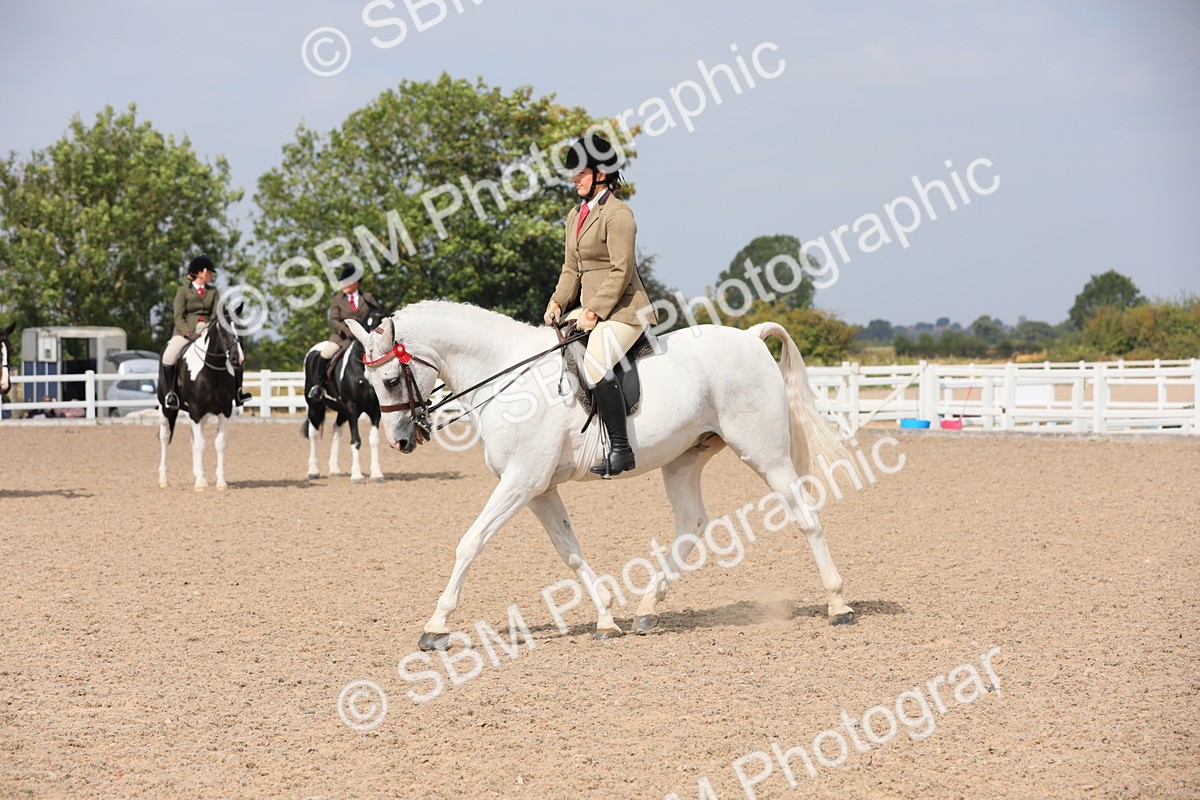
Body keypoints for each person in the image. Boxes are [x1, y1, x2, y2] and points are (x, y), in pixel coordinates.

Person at [544, 133, 658, 477]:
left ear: (602, 174)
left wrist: (594, 310)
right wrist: (558, 301)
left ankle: (622, 450)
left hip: (624, 310)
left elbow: (622, 271)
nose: (574, 178)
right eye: (574, 172)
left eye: (581, 172)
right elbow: (571, 269)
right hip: (588, 307)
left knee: (594, 365)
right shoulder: (574, 215)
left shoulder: (619, 214)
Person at [161, 254, 251, 410]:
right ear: (200, 272)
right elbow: (178, 316)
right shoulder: (183, 291)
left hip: (206, 332)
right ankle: (171, 394)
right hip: (185, 332)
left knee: (235, 354)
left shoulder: (213, 292)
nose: (211, 275)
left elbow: (216, 314)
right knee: (168, 357)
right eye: (209, 272)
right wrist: (188, 333)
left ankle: (238, 391)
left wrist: (209, 327)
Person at [308, 264, 383, 401]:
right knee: (325, 354)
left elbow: (376, 314)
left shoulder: (367, 297)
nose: (343, 284)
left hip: (363, 338)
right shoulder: (337, 300)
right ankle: (318, 386)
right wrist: (348, 331)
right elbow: (334, 320)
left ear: (356, 283)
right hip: (342, 338)